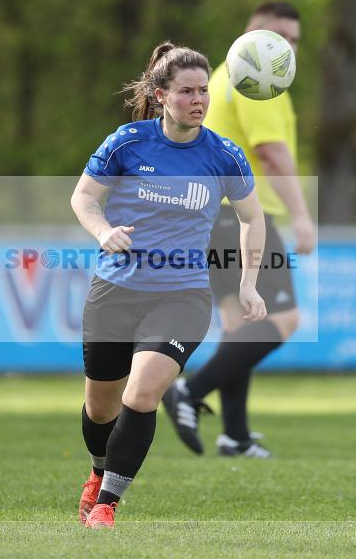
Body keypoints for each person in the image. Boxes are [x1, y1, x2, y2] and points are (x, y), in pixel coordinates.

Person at [71, 42, 268, 529]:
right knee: (101, 408)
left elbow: (253, 218)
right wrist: (103, 232)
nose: (198, 100)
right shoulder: (127, 143)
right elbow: (84, 198)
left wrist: (249, 284)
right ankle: (97, 472)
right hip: (115, 291)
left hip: (182, 295)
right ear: (161, 95)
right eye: (186, 91)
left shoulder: (224, 155)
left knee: (142, 395)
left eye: (203, 91)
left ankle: (107, 505)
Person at [161, 1, 316, 458]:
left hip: (209, 215)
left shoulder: (222, 77)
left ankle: (236, 436)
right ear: (256, 35)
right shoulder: (260, 79)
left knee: (240, 324)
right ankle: (189, 390)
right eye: (281, 37)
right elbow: (271, 152)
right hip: (243, 215)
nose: (289, 48)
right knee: (283, 318)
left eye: (295, 40)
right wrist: (302, 215)